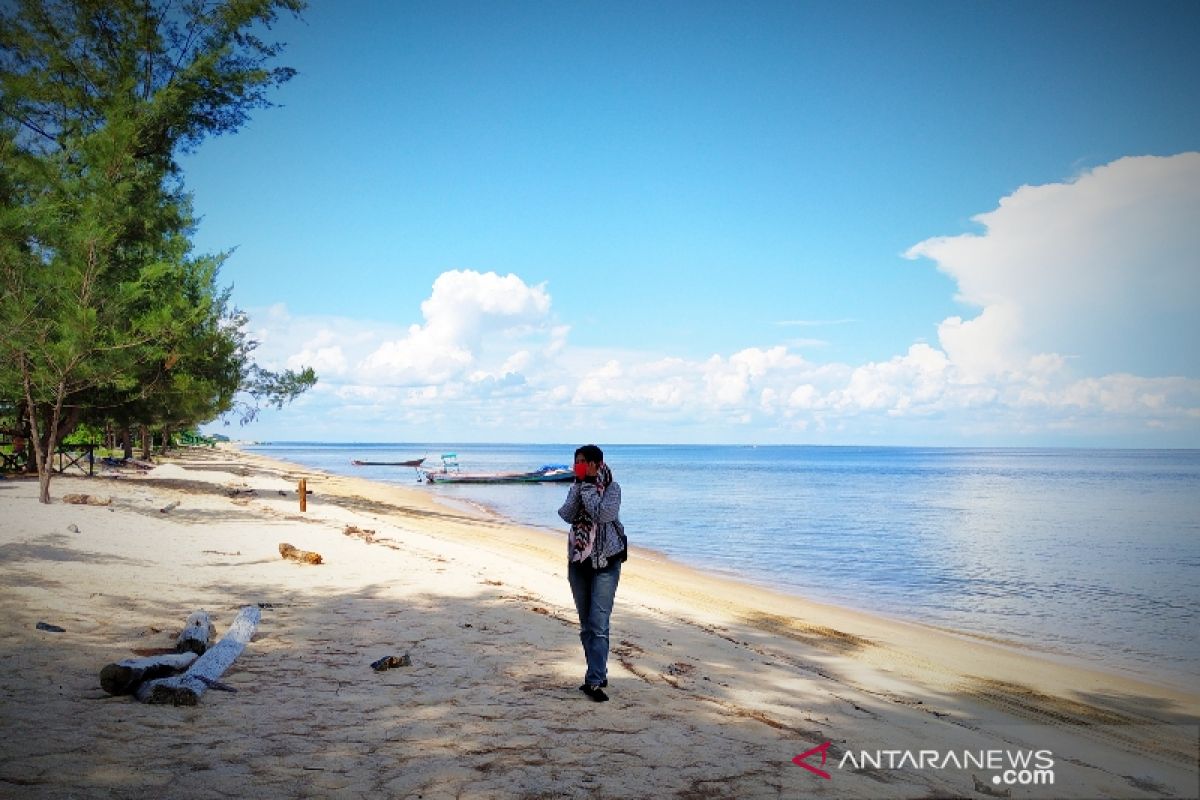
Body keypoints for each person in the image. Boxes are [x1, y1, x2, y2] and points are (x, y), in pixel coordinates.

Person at [558, 444, 627, 702]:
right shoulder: (576, 486)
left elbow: (601, 513)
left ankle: (594, 680)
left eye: (584, 462)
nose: (579, 465)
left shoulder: (613, 488)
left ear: (597, 464)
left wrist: (586, 485)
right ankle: (598, 670)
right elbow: (566, 514)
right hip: (579, 562)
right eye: (577, 461)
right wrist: (579, 486)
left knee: (599, 623)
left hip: (607, 563)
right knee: (587, 625)